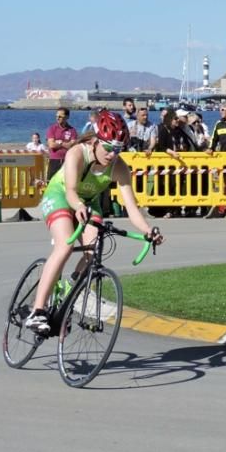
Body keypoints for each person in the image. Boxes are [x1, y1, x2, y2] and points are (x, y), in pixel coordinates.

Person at [25, 110, 164, 335]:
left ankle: (70, 287)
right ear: (96, 141)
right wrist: (78, 206)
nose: (112, 155)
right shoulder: (77, 154)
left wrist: (148, 230)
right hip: (61, 196)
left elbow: (131, 207)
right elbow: (70, 192)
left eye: (118, 150)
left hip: (89, 203)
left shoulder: (119, 167)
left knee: (95, 250)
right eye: (109, 148)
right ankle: (37, 310)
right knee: (65, 246)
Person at [46, 108, 77, 178]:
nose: (57, 118)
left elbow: (72, 146)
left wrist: (59, 142)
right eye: (56, 116)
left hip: (68, 160)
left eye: (60, 116)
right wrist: (66, 143)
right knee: (51, 182)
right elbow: (51, 145)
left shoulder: (72, 130)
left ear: (67, 117)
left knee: (66, 182)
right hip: (54, 160)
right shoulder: (52, 128)